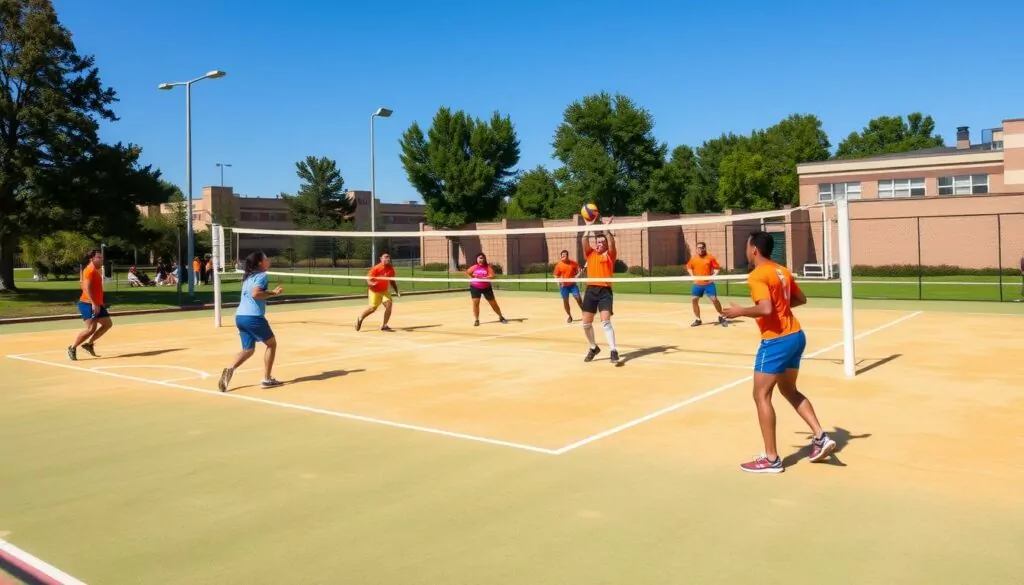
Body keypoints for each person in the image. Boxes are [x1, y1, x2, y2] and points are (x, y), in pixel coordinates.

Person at [723, 231, 836, 473]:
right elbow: (800, 299)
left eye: (746, 246)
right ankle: (820, 437)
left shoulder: (757, 276)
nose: (746, 251)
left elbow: (764, 309)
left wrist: (740, 311)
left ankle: (771, 458)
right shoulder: (781, 271)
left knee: (761, 395)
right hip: (796, 335)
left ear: (754, 249)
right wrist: (779, 308)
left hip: (776, 341)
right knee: (789, 389)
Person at [218, 251, 284, 392]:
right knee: (272, 344)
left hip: (240, 316)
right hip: (253, 317)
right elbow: (256, 294)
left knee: (248, 350)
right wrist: (274, 293)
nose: (268, 260)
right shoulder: (262, 276)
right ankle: (267, 379)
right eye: (266, 258)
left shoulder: (248, 277)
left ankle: (229, 369)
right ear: (260, 262)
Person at [580, 216, 619, 364]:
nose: (600, 244)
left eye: (602, 242)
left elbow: (612, 243)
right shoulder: (590, 254)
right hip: (591, 290)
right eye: (598, 242)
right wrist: (588, 226)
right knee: (586, 324)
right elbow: (584, 241)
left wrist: (606, 229)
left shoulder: (610, 255)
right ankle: (593, 347)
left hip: (605, 291)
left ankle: (613, 350)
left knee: (606, 322)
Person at [68, 249, 113, 360]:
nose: (101, 259)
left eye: (102, 257)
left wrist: (100, 302)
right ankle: (72, 348)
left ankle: (89, 344)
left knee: (107, 324)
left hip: (97, 303)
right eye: (99, 257)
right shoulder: (89, 270)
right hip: (87, 303)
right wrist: (93, 303)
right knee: (91, 329)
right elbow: (86, 288)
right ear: (92, 258)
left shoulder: (96, 270)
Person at [686, 242, 727, 327]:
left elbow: (717, 268)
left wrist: (713, 276)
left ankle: (721, 316)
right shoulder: (693, 258)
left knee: (714, 299)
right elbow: (689, 267)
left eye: (701, 248)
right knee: (694, 299)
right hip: (697, 283)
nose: (699, 249)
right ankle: (698, 319)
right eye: (698, 248)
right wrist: (693, 277)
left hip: (708, 283)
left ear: (705, 248)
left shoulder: (710, 258)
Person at [357, 252, 400, 332]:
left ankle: (384, 325)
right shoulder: (376, 268)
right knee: (372, 309)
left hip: (384, 291)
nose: (387, 258)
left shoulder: (390, 269)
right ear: (381, 259)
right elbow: (368, 279)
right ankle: (360, 318)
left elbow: (392, 281)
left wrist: (397, 291)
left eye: (388, 257)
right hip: (374, 291)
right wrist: (372, 283)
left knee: (389, 304)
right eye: (385, 257)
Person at [466, 253, 508, 326]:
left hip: (486, 287)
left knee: (493, 303)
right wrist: (471, 278)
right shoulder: (474, 267)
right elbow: (467, 272)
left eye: (482, 258)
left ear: (484, 259)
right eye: (479, 258)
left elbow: (493, 275)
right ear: (476, 259)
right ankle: (476, 320)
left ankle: (501, 317)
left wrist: (485, 278)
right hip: (475, 287)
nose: (480, 259)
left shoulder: (487, 267)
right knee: (475, 303)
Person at [553, 250, 584, 323]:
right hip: (564, 287)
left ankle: (585, 314)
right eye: (562, 255)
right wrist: (558, 282)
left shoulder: (573, 263)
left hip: (572, 285)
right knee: (565, 301)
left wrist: (577, 275)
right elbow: (555, 275)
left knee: (578, 299)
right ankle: (569, 316)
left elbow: (579, 270)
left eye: (564, 255)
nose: (563, 256)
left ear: (567, 256)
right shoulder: (559, 265)